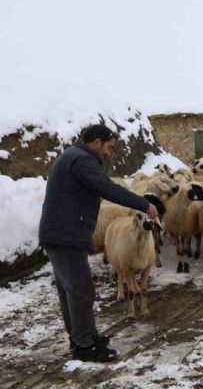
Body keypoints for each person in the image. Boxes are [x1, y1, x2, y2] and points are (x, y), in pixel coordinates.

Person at [38, 124, 159, 363]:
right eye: (109, 147)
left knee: (70, 291)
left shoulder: (73, 156)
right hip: (65, 235)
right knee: (81, 291)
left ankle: (85, 337)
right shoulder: (82, 160)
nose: (109, 153)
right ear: (96, 142)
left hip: (60, 233)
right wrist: (143, 204)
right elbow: (106, 188)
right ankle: (84, 346)